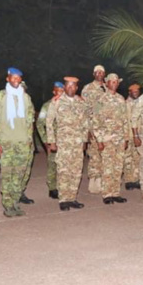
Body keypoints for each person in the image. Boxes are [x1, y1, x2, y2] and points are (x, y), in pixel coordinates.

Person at [0, 67, 35, 217]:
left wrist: (29, 140)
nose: (16, 81)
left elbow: (30, 121)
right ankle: (7, 205)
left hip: (22, 142)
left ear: (21, 80)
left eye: (18, 78)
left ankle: (15, 203)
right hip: (6, 142)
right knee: (7, 175)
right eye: (13, 78)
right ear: (7, 78)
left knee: (19, 175)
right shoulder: (0, 96)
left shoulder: (25, 97)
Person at [46, 76, 89, 210]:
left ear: (77, 88)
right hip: (63, 143)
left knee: (76, 171)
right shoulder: (57, 102)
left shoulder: (81, 102)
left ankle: (72, 198)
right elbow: (49, 122)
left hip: (77, 143)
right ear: (64, 87)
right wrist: (51, 141)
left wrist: (84, 140)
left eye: (73, 86)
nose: (70, 88)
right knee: (64, 171)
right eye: (68, 86)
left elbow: (85, 123)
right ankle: (64, 199)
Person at [92, 73, 129, 204]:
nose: (114, 83)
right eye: (111, 81)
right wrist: (100, 140)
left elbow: (125, 120)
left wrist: (126, 138)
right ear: (106, 83)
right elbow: (95, 121)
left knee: (118, 166)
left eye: (116, 82)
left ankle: (115, 192)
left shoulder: (121, 99)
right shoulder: (100, 100)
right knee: (107, 167)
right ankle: (107, 194)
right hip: (107, 139)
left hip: (119, 139)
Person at [82, 64, 107, 194]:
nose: (99, 74)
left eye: (101, 72)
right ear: (93, 74)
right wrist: (88, 129)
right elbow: (85, 110)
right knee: (95, 155)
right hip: (93, 126)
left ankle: (104, 181)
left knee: (106, 155)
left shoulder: (107, 87)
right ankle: (94, 183)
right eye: (97, 72)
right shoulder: (88, 88)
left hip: (107, 127)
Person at [37, 82, 64, 199]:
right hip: (52, 141)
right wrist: (46, 141)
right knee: (52, 164)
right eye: (58, 91)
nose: (60, 93)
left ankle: (63, 186)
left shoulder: (67, 105)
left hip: (66, 141)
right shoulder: (47, 106)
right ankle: (52, 188)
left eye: (62, 91)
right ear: (54, 92)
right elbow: (39, 124)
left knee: (64, 165)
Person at [123, 84, 142, 190]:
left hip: (139, 135)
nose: (135, 93)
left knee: (137, 158)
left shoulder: (141, 104)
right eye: (133, 92)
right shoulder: (125, 104)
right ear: (129, 92)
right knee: (127, 159)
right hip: (129, 135)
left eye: (137, 91)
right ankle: (128, 180)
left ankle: (136, 179)